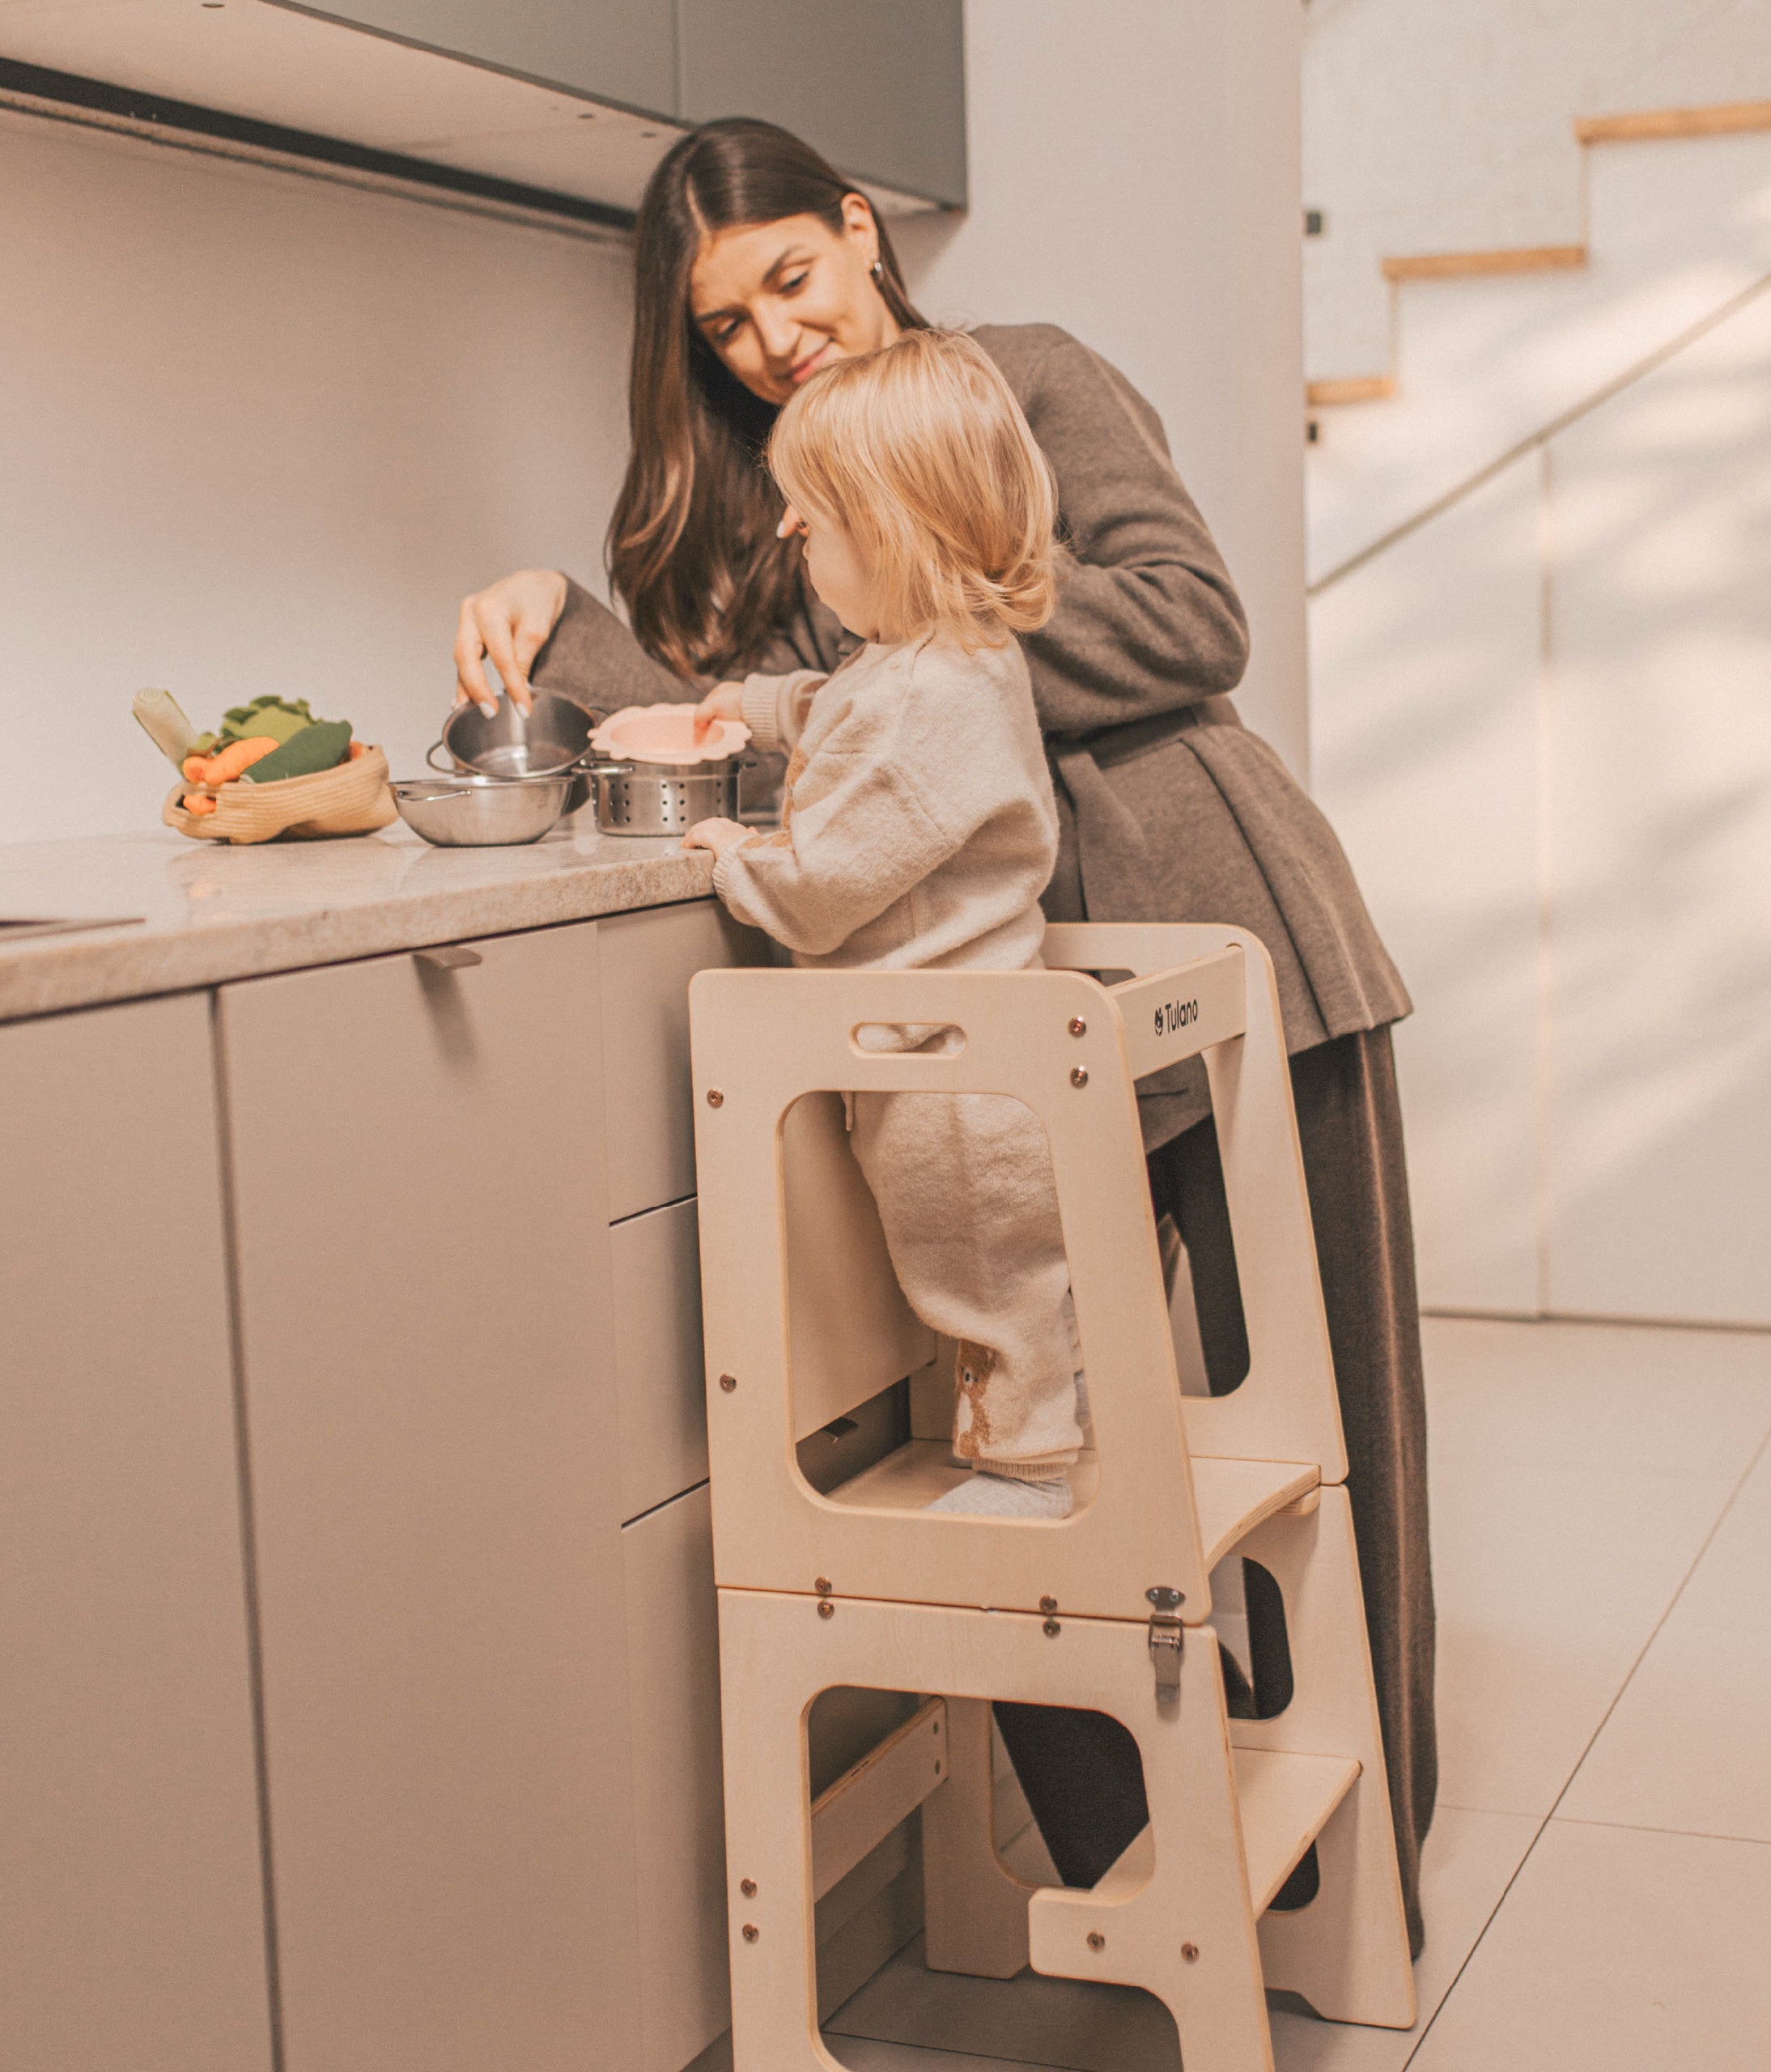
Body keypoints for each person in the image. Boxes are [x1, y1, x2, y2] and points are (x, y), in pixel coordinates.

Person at [452, 117, 1437, 1955]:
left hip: (1229, 932)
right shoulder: (785, 493)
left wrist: (935, 638)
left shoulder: (1022, 382)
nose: (772, 339)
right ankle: (1174, 1869)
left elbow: (1192, 621)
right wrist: (562, 625)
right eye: (724, 324)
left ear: (857, 227)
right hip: (1009, 1014)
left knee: (1323, 1436)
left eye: (791, 279)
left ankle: (1365, 1872)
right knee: (1039, 1456)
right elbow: (758, 732)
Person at [685, 327, 1085, 1520]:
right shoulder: (949, 661)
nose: (789, 532)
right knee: (1017, 1284)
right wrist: (758, 708)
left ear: (891, 529)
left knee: (987, 1284)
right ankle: (1038, 1432)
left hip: (945, 1079)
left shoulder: (917, 695)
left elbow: (820, 887)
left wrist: (732, 854)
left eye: (810, 517)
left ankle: (1027, 1469)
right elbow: (844, 708)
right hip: (977, 1046)